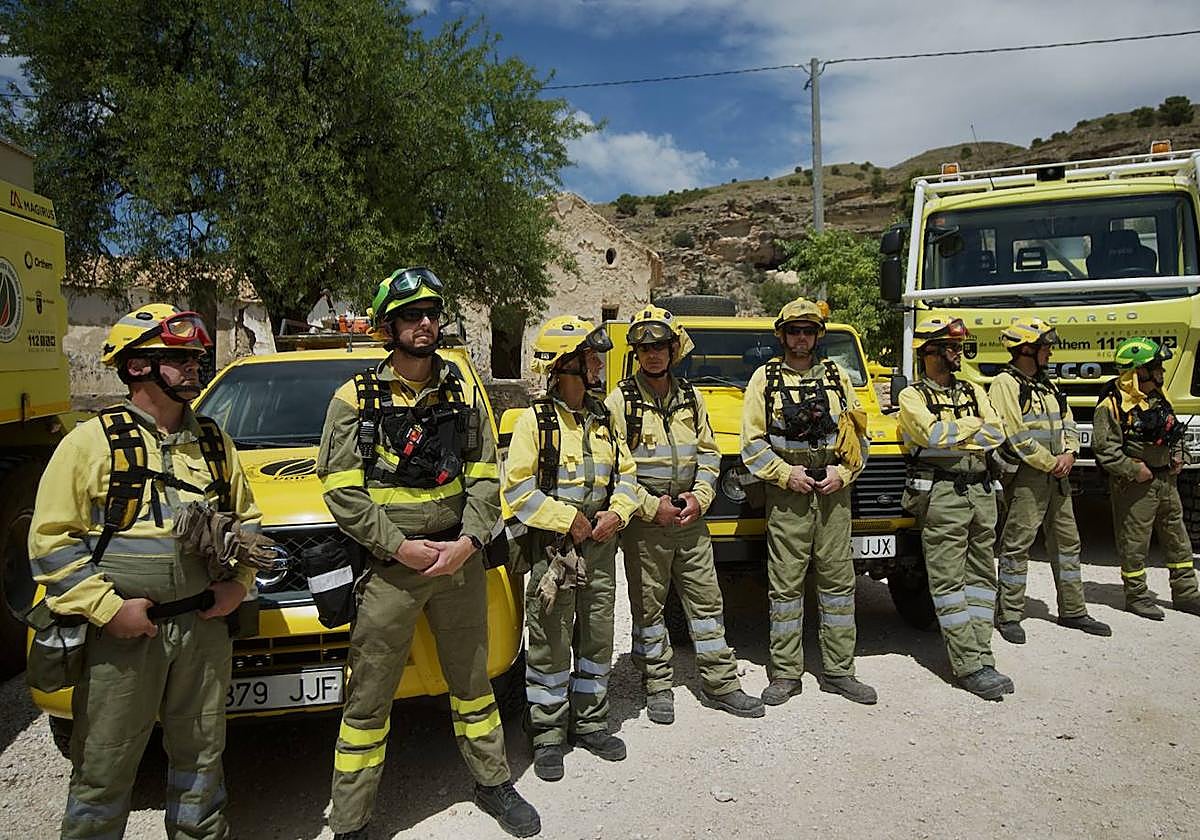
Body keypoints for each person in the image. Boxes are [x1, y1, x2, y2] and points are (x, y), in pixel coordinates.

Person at [318, 268, 538, 839]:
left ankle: (493, 782)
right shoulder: (353, 398)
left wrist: (467, 543)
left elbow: (488, 476)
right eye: (412, 315)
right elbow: (341, 491)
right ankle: (350, 821)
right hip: (393, 570)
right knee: (367, 700)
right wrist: (401, 548)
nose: (425, 324)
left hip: (458, 563)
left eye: (432, 314)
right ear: (388, 325)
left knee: (473, 683)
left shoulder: (462, 392)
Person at [28, 304, 262, 839]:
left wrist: (237, 585)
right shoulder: (90, 444)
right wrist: (110, 611)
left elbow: (247, 522)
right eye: (178, 358)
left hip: (204, 630)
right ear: (136, 367)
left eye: (195, 357)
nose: (194, 367)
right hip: (123, 638)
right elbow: (49, 543)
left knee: (203, 756)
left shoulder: (213, 443)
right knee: (103, 764)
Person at [604, 306, 765, 724]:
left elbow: (710, 453)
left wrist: (701, 495)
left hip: (691, 519)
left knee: (707, 604)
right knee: (649, 609)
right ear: (636, 353)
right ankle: (657, 685)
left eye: (660, 346)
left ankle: (722, 684)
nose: (653, 355)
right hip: (646, 524)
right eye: (644, 348)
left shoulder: (692, 397)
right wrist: (648, 505)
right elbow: (612, 469)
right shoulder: (620, 401)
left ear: (674, 349)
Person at [502, 314, 639, 782]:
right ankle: (546, 736)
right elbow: (518, 491)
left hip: (600, 547)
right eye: (591, 357)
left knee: (598, 636)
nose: (600, 364)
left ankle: (592, 723)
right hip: (553, 553)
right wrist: (569, 520)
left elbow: (629, 477)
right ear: (566, 365)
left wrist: (617, 512)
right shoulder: (533, 423)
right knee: (550, 643)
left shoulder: (604, 418)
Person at [739, 298, 876, 706]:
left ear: (818, 336)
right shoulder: (763, 380)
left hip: (833, 491)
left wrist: (843, 473)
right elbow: (752, 443)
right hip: (787, 494)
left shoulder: (839, 378)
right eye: (794, 330)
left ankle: (839, 670)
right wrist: (787, 475)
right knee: (786, 585)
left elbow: (859, 438)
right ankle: (785, 674)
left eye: (809, 331)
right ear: (781, 335)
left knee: (838, 584)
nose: (802, 338)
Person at [897, 316, 1013, 701]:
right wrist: (974, 428)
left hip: (981, 492)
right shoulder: (911, 397)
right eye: (949, 347)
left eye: (958, 346)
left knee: (982, 579)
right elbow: (930, 434)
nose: (957, 353)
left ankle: (983, 654)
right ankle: (968, 666)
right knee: (948, 584)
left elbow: (998, 431)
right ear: (928, 353)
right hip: (943, 495)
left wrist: (963, 431)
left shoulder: (974, 389)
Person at [990, 319, 1111, 643]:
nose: (1050, 351)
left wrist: (1070, 453)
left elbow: (1067, 420)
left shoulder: (1049, 383)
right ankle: (1010, 614)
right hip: (1030, 477)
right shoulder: (1005, 383)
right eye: (1046, 346)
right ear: (1027, 348)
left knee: (1068, 543)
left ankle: (1073, 610)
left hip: (1057, 475)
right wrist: (1051, 462)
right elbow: (1013, 434)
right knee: (1018, 543)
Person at [1093, 336, 1200, 620]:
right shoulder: (1112, 404)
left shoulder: (1157, 398)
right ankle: (1137, 596)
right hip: (1136, 486)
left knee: (1178, 539)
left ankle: (1187, 594)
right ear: (1138, 371)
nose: (1162, 372)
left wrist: (1179, 456)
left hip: (1166, 481)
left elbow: (1172, 430)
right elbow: (1105, 451)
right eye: (1157, 367)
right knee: (1134, 543)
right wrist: (1133, 470)